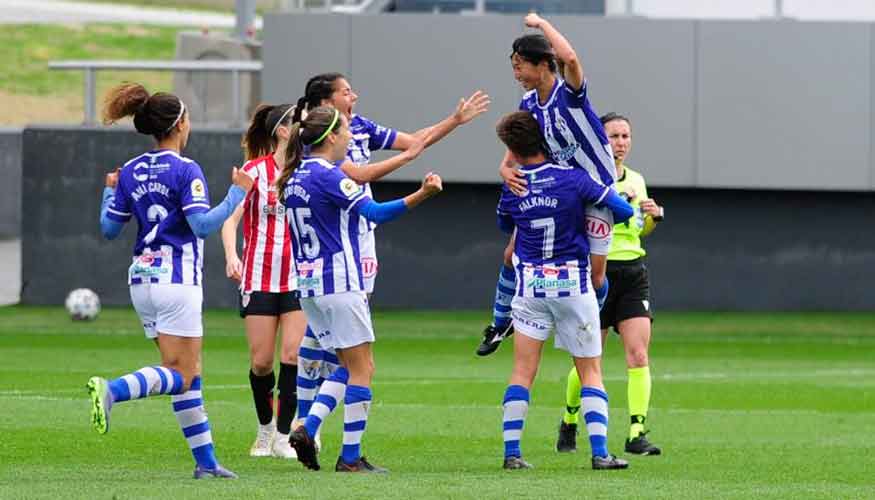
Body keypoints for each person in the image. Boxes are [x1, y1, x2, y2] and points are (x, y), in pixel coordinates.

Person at [292, 73, 489, 430]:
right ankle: (314, 428)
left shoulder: (315, 158)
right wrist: (412, 174)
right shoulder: (326, 164)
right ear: (325, 103)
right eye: (347, 91)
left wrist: (454, 121)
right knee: (352, 357)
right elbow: (358, 178)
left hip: (323, 265)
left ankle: (307, 423)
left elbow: (414, 141)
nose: (356, 94)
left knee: (336, 347)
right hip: (341, 255)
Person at [89, 83, 253, 479]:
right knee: (182, 373)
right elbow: (201, 225)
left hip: (141, 282)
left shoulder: (129, 170)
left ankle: (207, 463)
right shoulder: (186, 169)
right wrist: (237, 195)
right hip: (176, 281)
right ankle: (112, 389)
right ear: (180, 124)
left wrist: (109, 193)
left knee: (185, 373)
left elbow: (109, 229)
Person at [279, 106, 442, 473]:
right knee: (362, 368)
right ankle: (350, 457)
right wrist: (423, 194)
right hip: (339, 283)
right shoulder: (329, 176)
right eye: (346, 132)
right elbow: (376, 213)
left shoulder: (292, 176)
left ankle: (309, 426)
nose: (351, 137)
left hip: (309, 286)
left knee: (346, 364)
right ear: (332, 137)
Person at [494, 111, 632, 471]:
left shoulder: (512, 187)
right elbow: (621, 208)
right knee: (590, 371)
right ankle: (600, 453)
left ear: (512, 149)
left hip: (530, 287)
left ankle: (512, 453)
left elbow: (504, 224)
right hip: (572, 283)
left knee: (523, 372)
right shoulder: (573, 179)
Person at [477, 13, 617, 356]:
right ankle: (501, 323)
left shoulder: (569, 93)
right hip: (557, 192)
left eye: (519, 65)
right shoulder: (527, 104)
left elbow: (569, 58)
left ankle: (589, 324)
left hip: (596, 191)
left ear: (543, 64)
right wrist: (503, 167)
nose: (516, 74)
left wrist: (540, 24)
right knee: (511, 254)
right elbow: (517, 139)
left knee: (596, 277)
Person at [557, 113, 664, 456]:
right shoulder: (588, 179)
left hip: (633, 272)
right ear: (601, 141)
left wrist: (652, 218)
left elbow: (637, 230)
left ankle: (636, 432)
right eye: (614, 136)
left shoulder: (637, 179)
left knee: (638, 354)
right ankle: (570, 418)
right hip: (596, 273)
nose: (621, 142)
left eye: (625, 136)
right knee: (591, 357)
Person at [220, 103, 307, 459]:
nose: (302, 125)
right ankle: (264, 429)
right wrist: (232, 255)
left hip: (298, 277)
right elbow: (229, 220)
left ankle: (285, 436)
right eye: (295, 122)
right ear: (282, 131)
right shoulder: (254, 171)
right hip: (258, 276)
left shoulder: (306, 171)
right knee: (262, 362)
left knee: (293, 354)